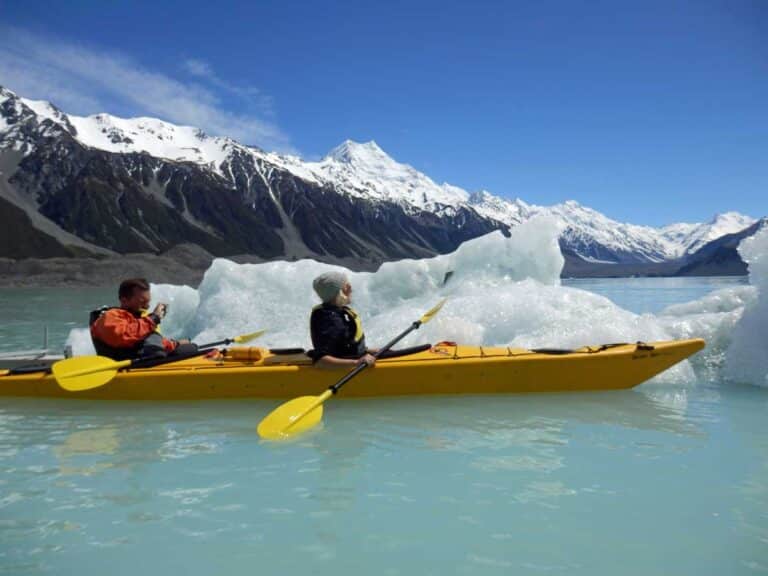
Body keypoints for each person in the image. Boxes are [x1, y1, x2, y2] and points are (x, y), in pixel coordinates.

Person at [90, 278, 196, 361]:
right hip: (131, 363)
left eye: (148, 302)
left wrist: (175, 344)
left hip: (149, 358)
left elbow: (147, 340)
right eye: (142, 302)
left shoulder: (139, 320)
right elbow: (124, 335)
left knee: (191, 348)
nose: (146, 306)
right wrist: (153, 318)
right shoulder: (110, 316)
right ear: (124, 301)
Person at [308, 271, 377, 369]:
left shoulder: (338, 313)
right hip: (346, 368)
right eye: (346, 286)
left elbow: (344, 346)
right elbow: (320, 361)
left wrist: (368, 351)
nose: (350, 289)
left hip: (354, 358)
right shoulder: (329, 319)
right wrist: (357, 363)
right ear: (339, 292)